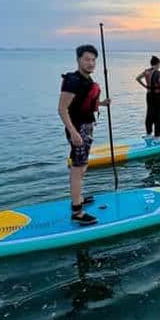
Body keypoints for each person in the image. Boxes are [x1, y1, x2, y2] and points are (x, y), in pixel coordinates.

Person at [58, 44, 111, 226]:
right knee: (77, 168)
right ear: (79, 60)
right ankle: (77, 212)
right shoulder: (72, 80)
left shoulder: (87, 81)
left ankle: (78, 198)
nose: (91, 63)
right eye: (87, 59)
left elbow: (85, 104)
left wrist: (102, 103)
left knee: (83, 166)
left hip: (86, 128)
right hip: (78, 129)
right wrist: (73, 132)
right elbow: (62, 109)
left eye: (93, 60)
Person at [135, 55, 160, 140]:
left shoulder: (146, 71)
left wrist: (145, 86)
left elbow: (137, 78)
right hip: (156, 96)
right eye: (159, 64)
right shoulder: (158, 72)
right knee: (158, 115)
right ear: (157, 64)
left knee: (149, 113)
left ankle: (148, 134)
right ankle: (157, 136)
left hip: (148, 95)